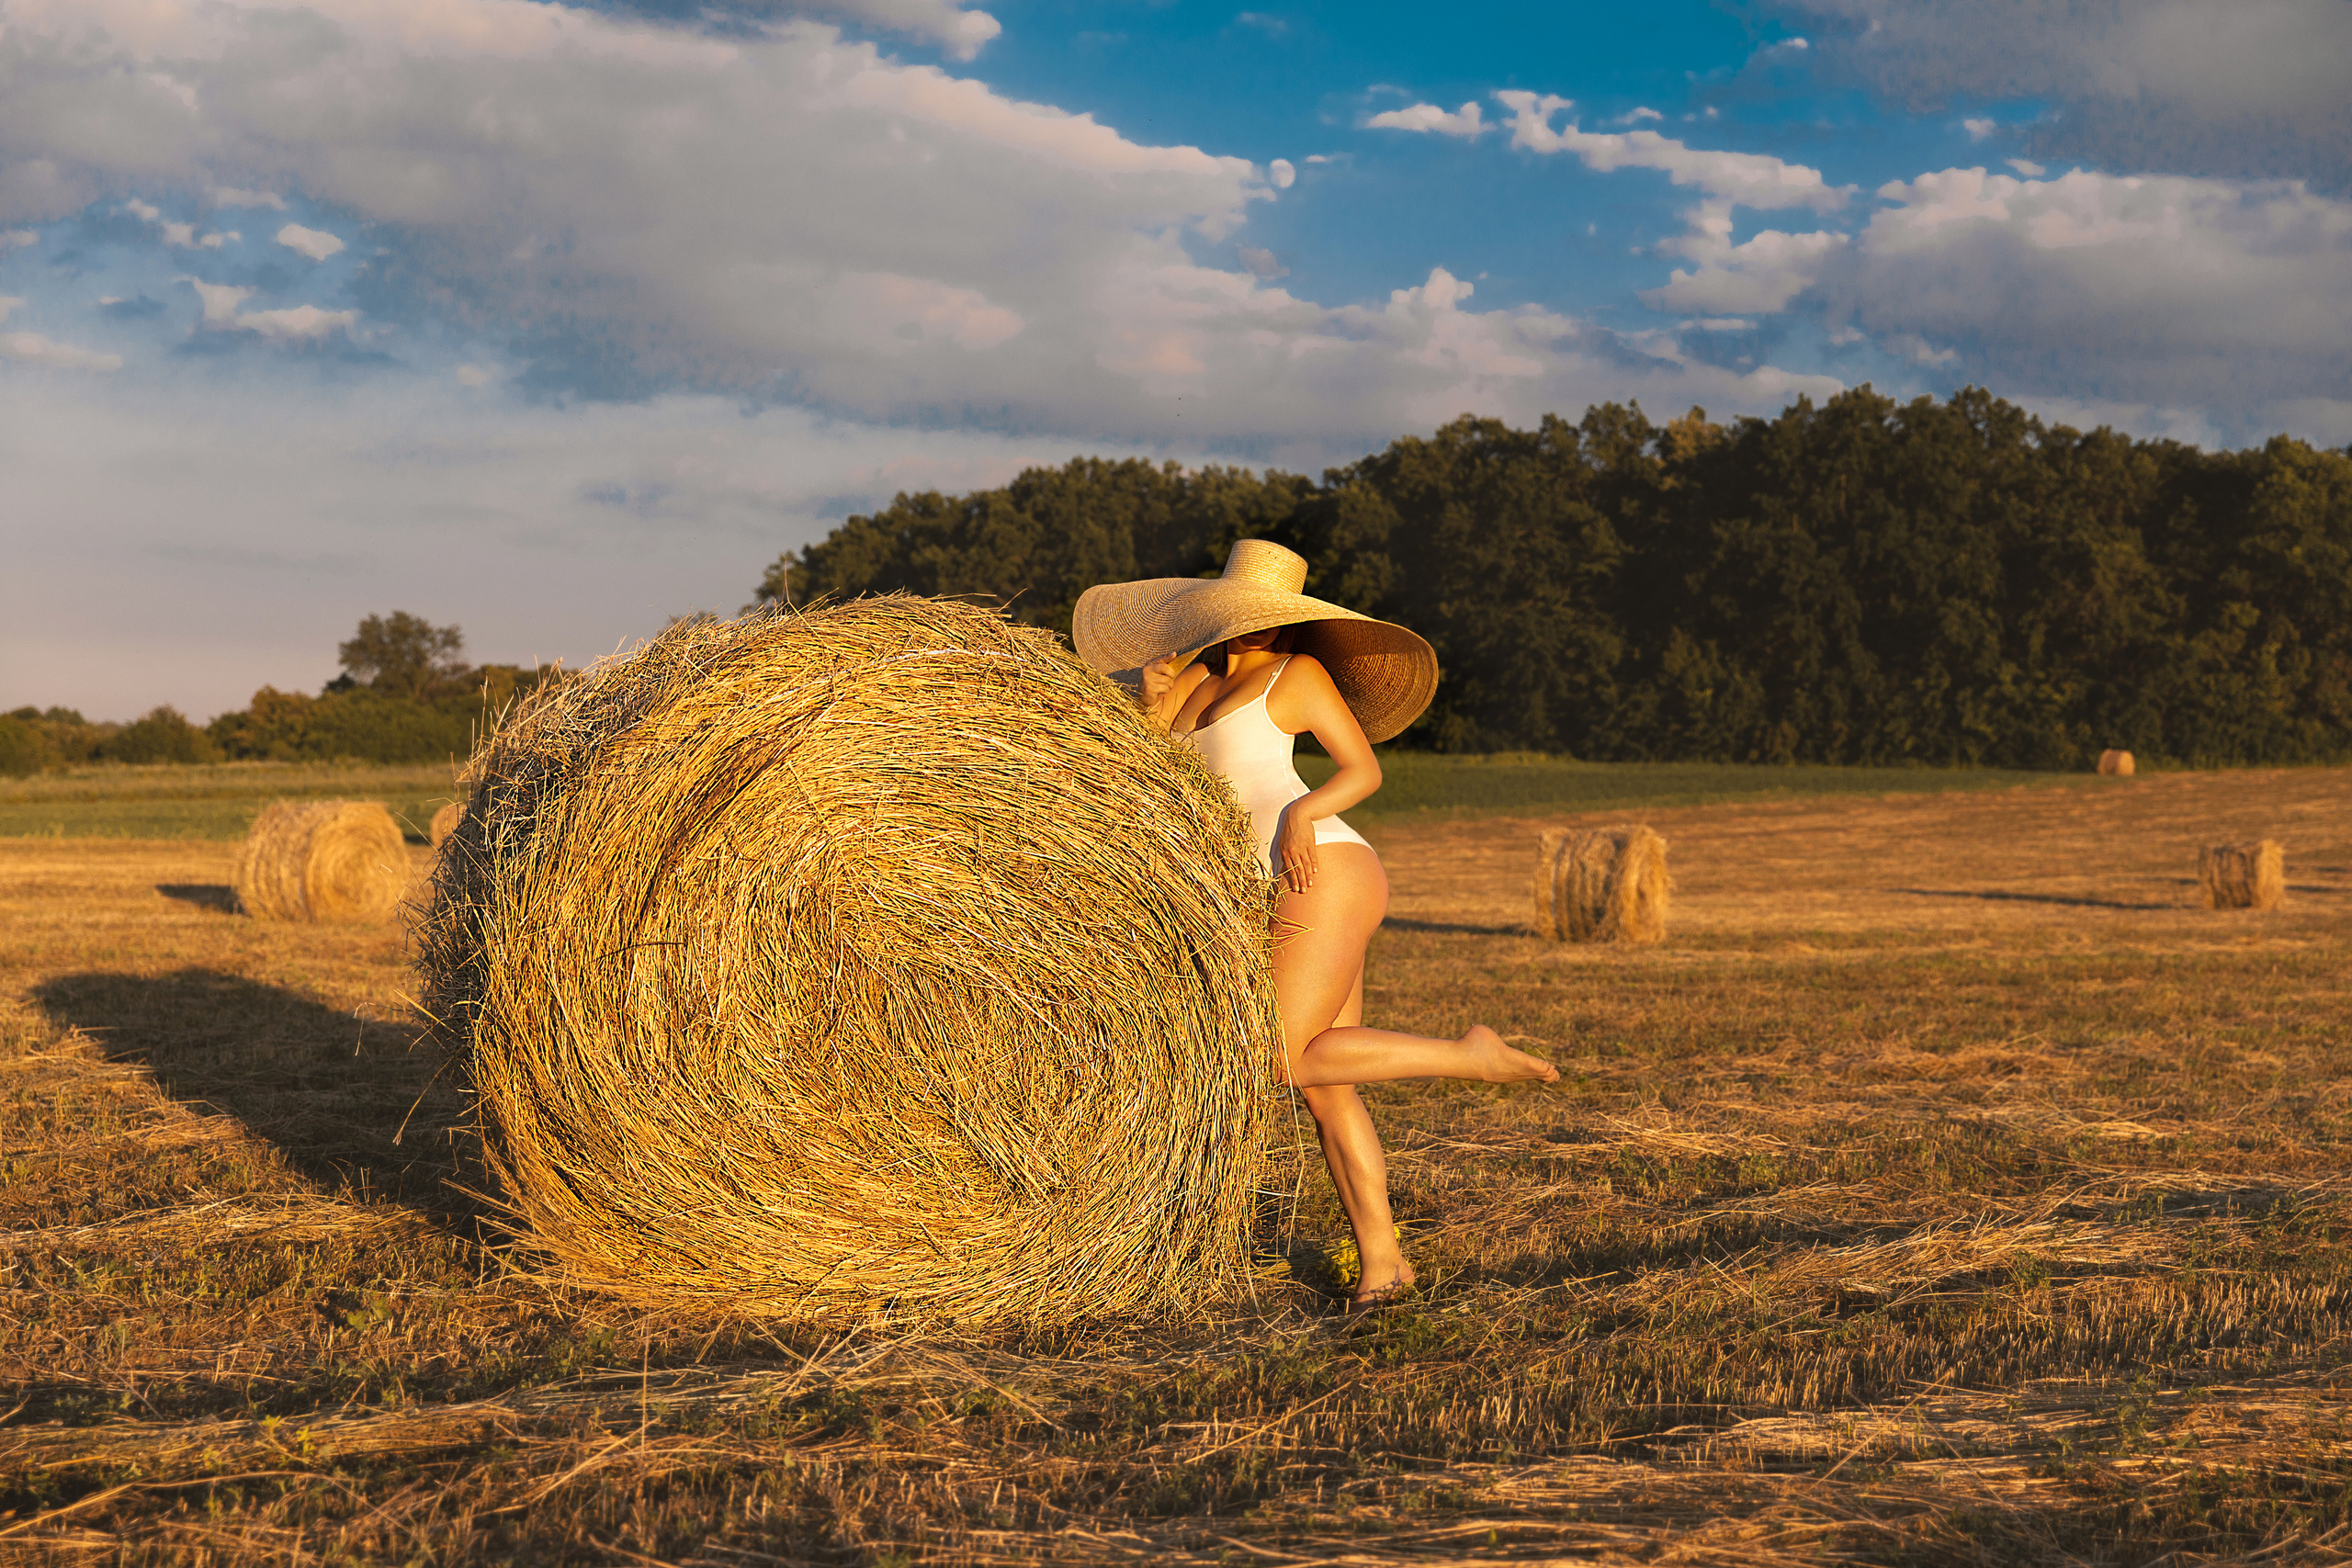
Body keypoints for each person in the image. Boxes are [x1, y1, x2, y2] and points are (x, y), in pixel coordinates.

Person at [1073, 540, 1557, 1309]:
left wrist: (1304, 810)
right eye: (1247, 618)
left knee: (1279, 1059)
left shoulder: (1298, 676)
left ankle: (1469, 1055)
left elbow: (1364, 770)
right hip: (1274, 887)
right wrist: (1153, 699)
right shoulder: (1195, 683)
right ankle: (1384, 1264)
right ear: (1220, 615)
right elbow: (1152, 785)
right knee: (1328, 1088)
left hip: (1321, 864)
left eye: (1272, 619)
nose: (1258, 630)